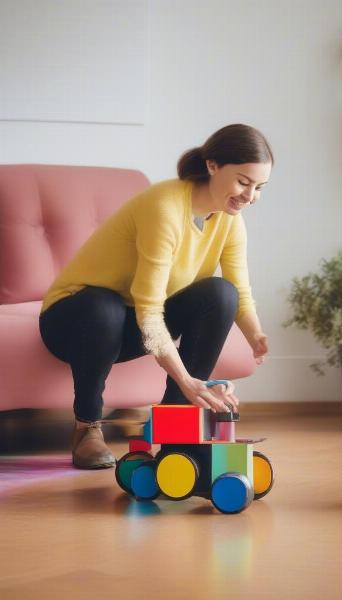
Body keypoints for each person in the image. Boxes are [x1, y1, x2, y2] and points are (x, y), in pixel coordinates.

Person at [39, 123, 273, 469]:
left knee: (220, 293)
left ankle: (175, 426)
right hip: (72, 321)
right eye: (243, 181)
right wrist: (186, 378)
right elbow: (149, 311)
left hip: (128, 325)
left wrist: (255, 334)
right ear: (212, 165)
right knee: (105, 306)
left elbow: (239, 290)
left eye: (259, 187)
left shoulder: (229, 220)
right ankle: (87, 427)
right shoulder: (164, 206)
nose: (250, 196)